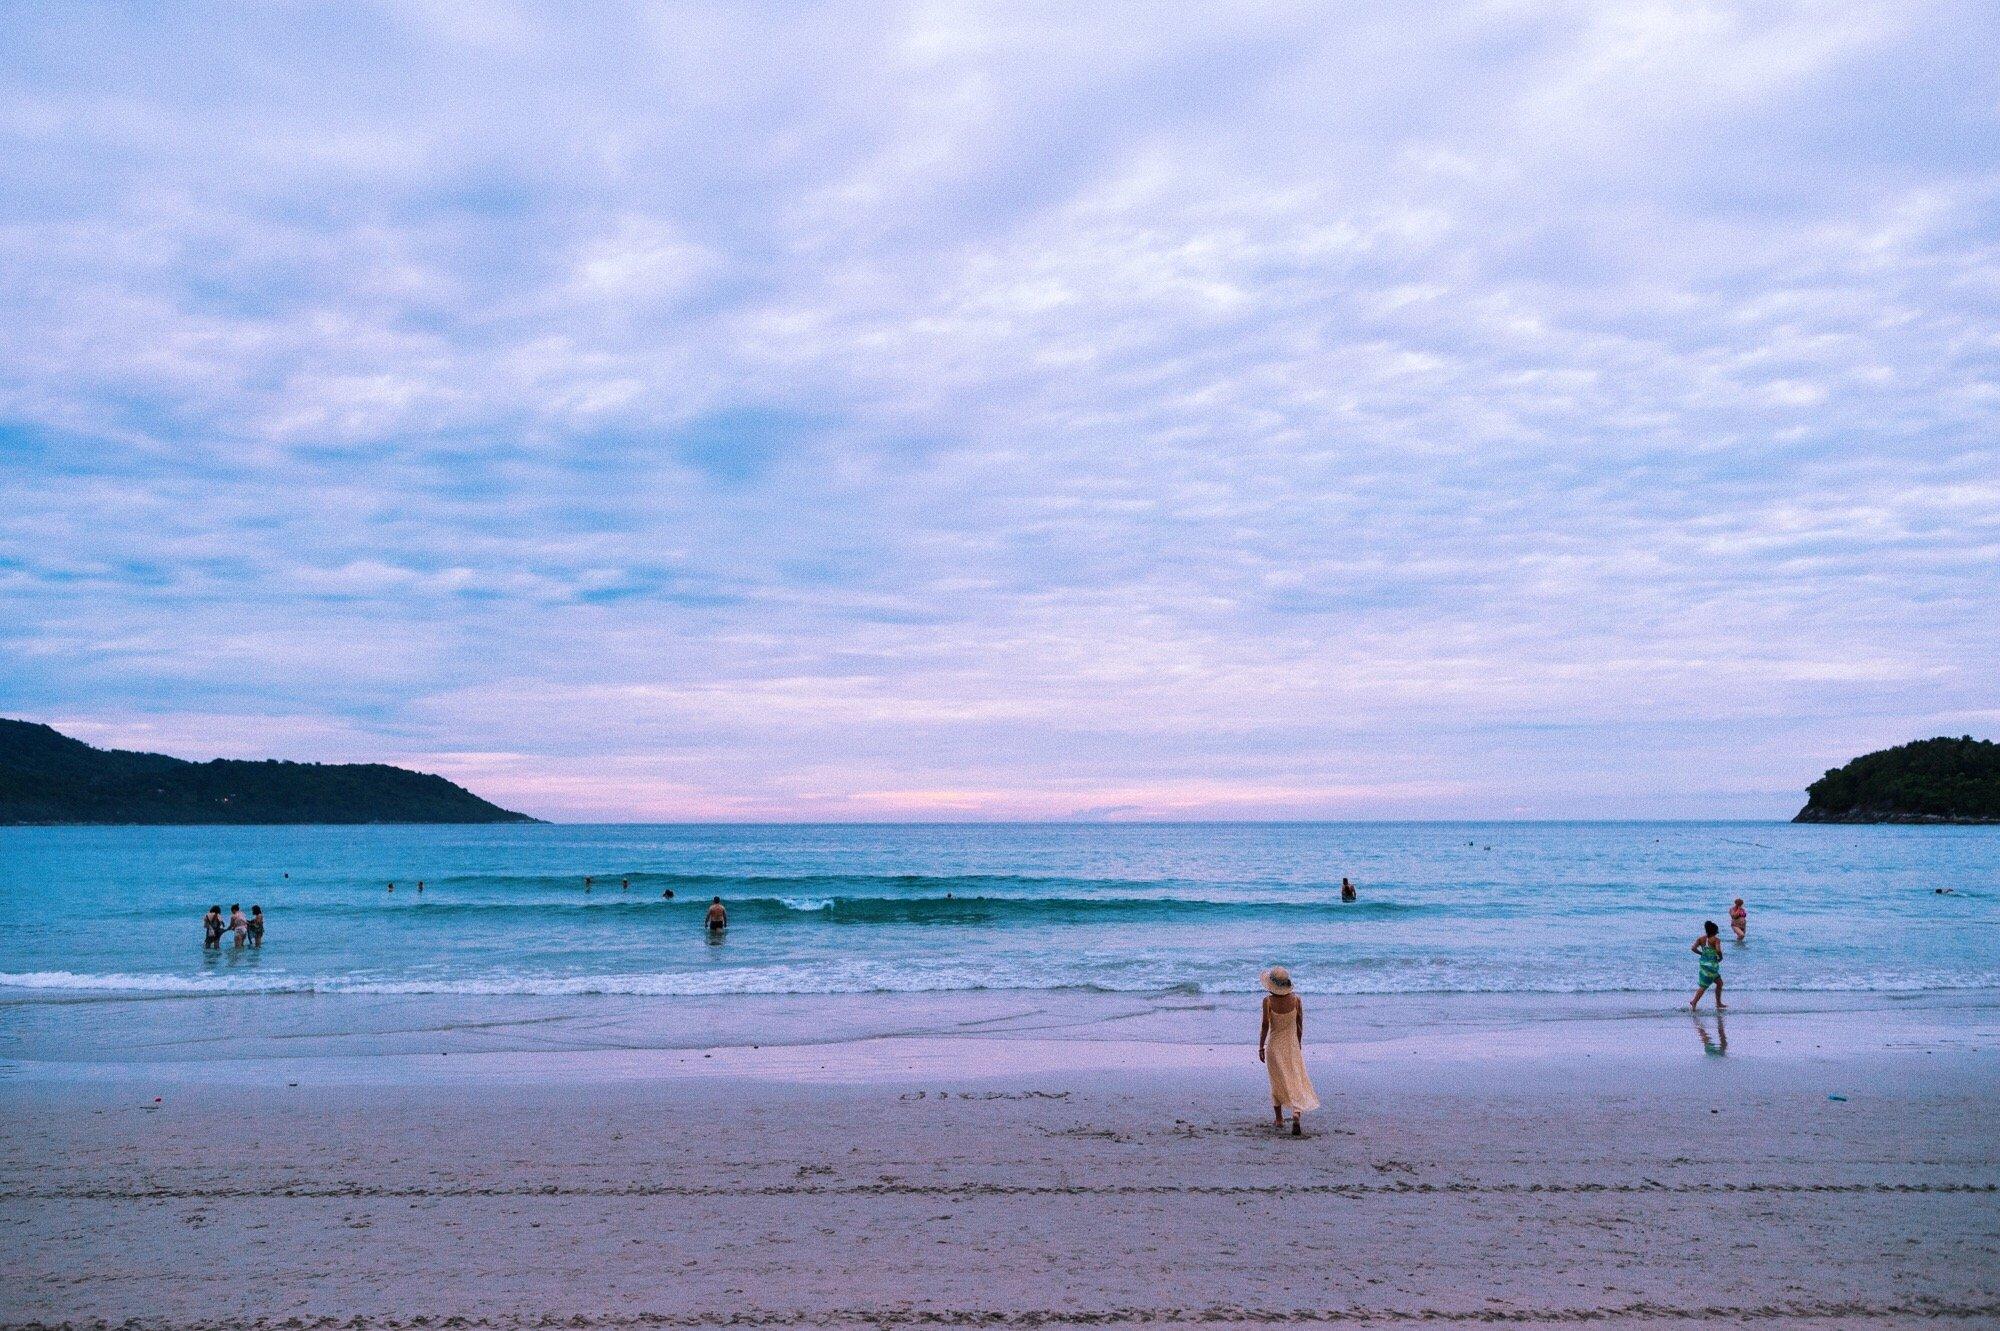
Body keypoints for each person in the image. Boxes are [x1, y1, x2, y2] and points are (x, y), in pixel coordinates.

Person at [1257, 966, 1320, 1135]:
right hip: (1292, 1046)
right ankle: (1296, 1112)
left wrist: (1261, 1046)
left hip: (1274, 1047)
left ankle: (1278, 1119)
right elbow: (1300, 1025)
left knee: (1276, 1081)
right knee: (1296, 1079)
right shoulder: (1297, 1000)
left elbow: (1265, 1026)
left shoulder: (1268, 1001)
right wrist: (1298, 1044)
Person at [1689, 921, 1725, 1011]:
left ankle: (1718, 1003)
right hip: (1712, 966)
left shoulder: (1701, 939)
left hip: (1704, 965)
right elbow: (1718, 950)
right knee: (1704, 986)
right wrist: (1720, 957)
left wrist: (1702, 953)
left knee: (1719, 983)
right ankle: (1694, 1001)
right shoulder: (1716, 940)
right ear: (1714, 931)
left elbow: (1693, 948)